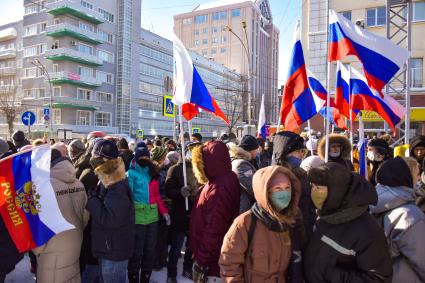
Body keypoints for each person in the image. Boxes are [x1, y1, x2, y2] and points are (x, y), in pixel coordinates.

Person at [304, 163, 393, 283]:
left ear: (336, 191)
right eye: (312, 186)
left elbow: (379, 278)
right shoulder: (324, 215)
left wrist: (330, 274)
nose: (313, 191)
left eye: (319, 188)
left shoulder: (367, 231)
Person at [219, 165, 303, 282]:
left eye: (287, 187)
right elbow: (229, 264)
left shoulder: (292, 221)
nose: (284, 193)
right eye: (278, 188)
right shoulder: (245, 223)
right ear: (265, 193)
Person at [33, 149, 89, 282]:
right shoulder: (79, 184)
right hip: (75, 245)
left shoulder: (43, 187)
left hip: (50, 251)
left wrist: (37, 249)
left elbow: (37, 224)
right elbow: (86, 215)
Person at [190, 141, 241, 282]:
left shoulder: (219, 187)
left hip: (213, 263)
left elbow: (214, 229)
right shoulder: (224, 178)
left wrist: (201, 261)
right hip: (215, 256)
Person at [85, 139, 135, 283]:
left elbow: (110, 219)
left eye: (95, 157)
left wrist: (91, 200)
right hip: (110, 247)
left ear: (103, 159)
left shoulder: (116, 183)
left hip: (114, 251)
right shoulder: (109, 177)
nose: (92, 160)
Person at [370, 157, 425, 282]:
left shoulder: (374, 202)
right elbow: (421, 259)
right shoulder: (410, 215)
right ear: (406, 177)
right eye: (416, 174)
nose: (419, 179)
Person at [126, 142, 170, 283]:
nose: (144, 158)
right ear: (136, 157)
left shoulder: (153, 172)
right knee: (136, 251)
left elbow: (157, 196)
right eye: (141, 156)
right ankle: (133, 277)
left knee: (150, 250)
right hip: (138, 218)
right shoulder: (131, 174)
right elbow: (129, 196)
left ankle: (145, 278)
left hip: (152, 218)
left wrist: (164, 212)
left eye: (146, 156)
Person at [166, 141, 201, 283]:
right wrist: (180, 192)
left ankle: (187, 268)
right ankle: (171, 273)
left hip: (194, 213)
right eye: (190, 150)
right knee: (176, 247)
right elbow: (168, 191)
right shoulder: (174, 169)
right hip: (179, 213)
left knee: (191, 245)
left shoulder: (198, 168)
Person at [272, 131, 316, 241]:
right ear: (285, 154)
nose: (302, 155)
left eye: (303, 151)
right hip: (285, 234)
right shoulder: (276, 178)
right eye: (298, 151)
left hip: (304, 229)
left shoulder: (301, 174)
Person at [150, 146, 171, 270]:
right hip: (161, 207)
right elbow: (161, 191)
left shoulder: (151, 170)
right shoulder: (160, 172)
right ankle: (158, 261)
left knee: (158, 236)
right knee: (160, 237)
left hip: (155, 207)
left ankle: (160, 259)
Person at [228, 135, 259, 213]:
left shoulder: (245, 160)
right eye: (256, 149)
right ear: (251, 149)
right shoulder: (241, 164)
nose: (258, 151)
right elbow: (252, 187)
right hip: (243, 207)